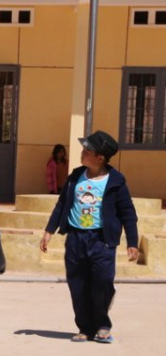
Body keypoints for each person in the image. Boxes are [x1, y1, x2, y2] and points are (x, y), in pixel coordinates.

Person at [40, 131, 139, 343]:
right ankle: (85, 327)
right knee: (78, 284)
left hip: (102, 240)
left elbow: (128, 214)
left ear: (100, 158)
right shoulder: (75, 176)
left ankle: (103, 324)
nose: (82, 153)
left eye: (87, 151)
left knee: (101, 282)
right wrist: (49, 231)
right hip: (76, 238)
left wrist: (132, 242)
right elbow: (61, 206)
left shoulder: (116, 182)